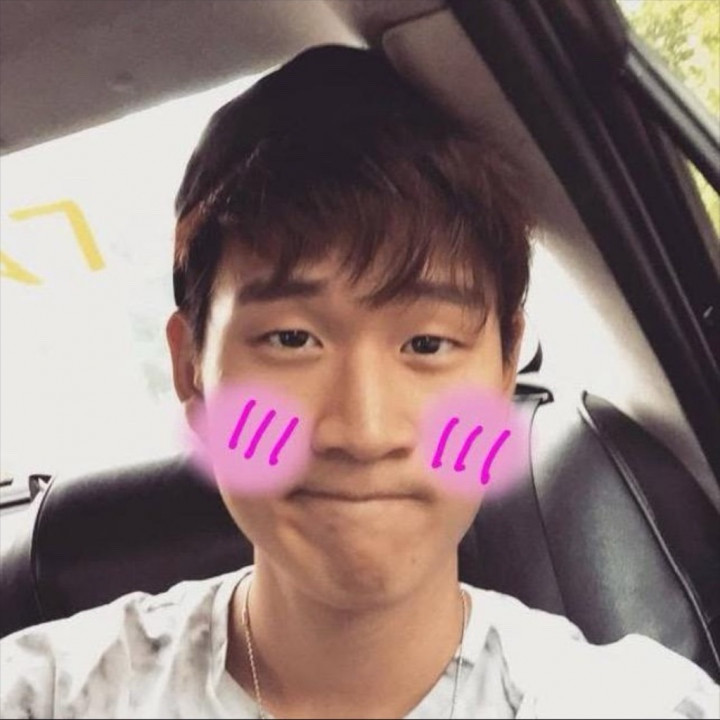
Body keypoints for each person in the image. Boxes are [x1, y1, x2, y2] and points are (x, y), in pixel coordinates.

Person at [1, 44, 718, 720]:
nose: (364, 431)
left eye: (427, 344)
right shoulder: (48, 696)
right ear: (192, 369)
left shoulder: (631, 705)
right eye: (292, 339)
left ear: (505, 373)